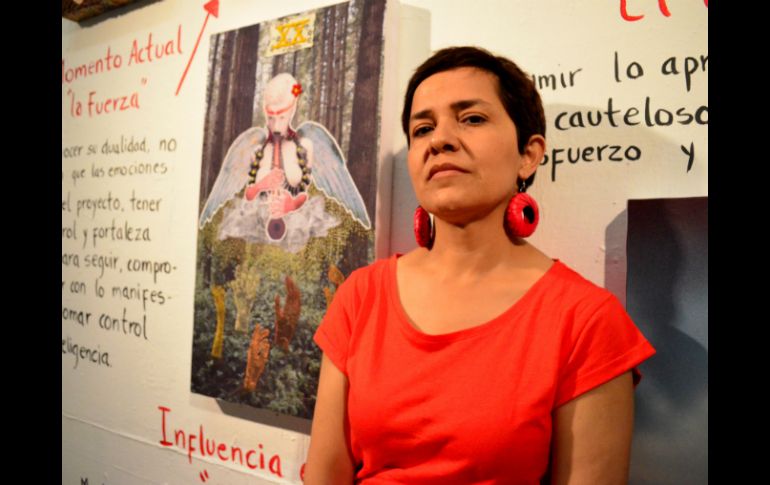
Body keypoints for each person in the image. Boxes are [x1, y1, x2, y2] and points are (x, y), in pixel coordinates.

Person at [304, 46, 655, 484]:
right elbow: (326, 474)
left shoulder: (584, 320)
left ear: (528, 154)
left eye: (471, 119)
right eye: (423, 128)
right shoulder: (362, 295)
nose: (440, 140)